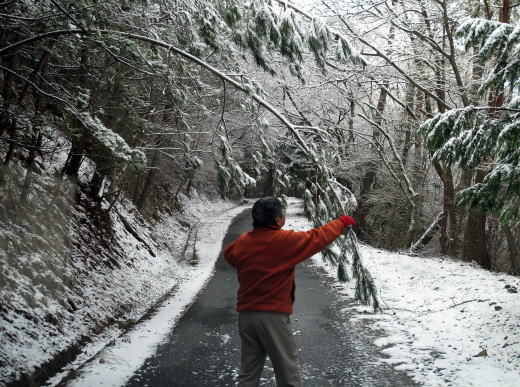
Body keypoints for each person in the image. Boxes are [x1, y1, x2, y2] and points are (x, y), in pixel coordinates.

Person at [224, 197, 356, 387]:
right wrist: (341, 222)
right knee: (288, 373)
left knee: (249, 372)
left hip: (246, 316)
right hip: (272, 317)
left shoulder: (244, 241)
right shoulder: (284, 241)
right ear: (278, 220)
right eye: (282, 213)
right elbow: (317, 237)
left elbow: (230, 254)